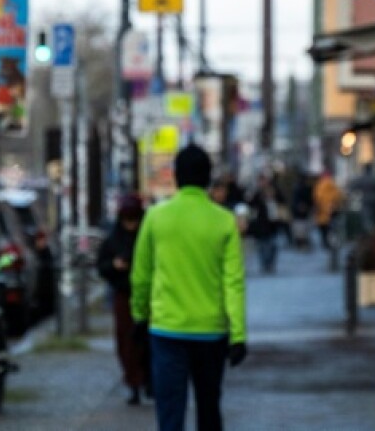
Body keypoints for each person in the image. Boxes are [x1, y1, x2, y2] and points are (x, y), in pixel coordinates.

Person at [131, 145, 247, 431]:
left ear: (176, 177)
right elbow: (233, 281)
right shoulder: (224, 221)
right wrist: (238, 334)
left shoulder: (156, 217)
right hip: (211, 331)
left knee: (170, 412)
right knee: (209, 409)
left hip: (166, 329)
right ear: (208, 178)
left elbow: (141, 275)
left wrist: (139, 315)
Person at [96, 194, 148, 405]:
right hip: (123, 293)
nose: (131, 225)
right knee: (126, 341)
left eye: (134, 219)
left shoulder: (147, 235)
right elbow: (102, 266)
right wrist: (115, 266)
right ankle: (134, 383)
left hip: (148, 294)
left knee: (147, 341)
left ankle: (146, 380)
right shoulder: (113, 239)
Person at [247, 175, 282, 274]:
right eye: (261, 181)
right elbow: (251, 205)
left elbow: (282, 203)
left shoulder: (275, 192)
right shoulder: (257, 194)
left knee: (272, 246)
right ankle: (265, 264)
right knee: (262, 246)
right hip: (261, 225)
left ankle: (270, 263)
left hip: (273, 225)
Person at [312, 170, 343, 253]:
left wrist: (318, 207)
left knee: (323, 229)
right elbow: (338, 197)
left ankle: (324, 242)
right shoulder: (334, 185)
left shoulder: (319, 185)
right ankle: (331, 243)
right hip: (332, 210)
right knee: (332, 229)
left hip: (322, 211)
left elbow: (316, 198)